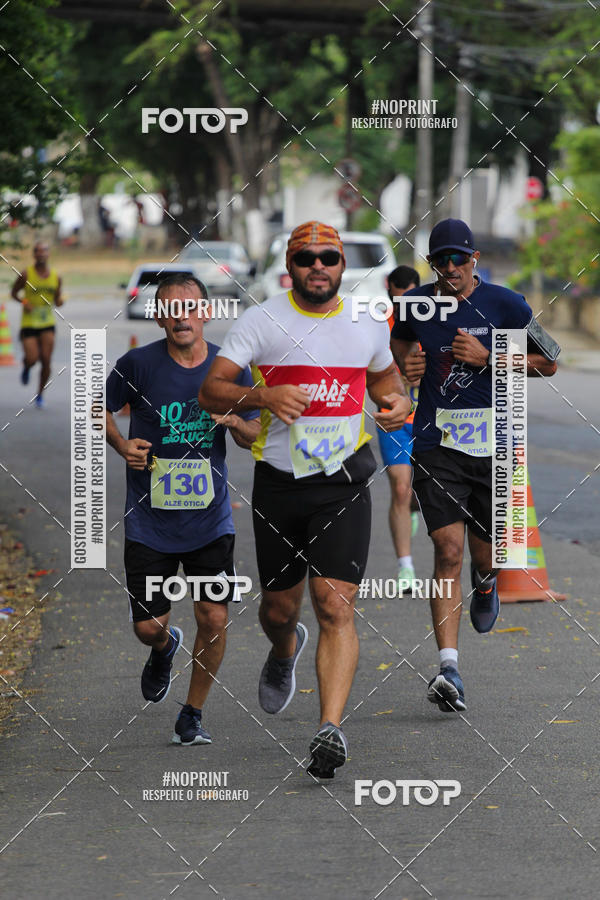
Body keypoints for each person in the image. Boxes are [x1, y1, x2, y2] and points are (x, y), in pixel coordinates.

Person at [198, 221, 410, 779]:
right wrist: (263, 393)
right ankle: (285, 647)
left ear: (343, 266)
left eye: (329, 258)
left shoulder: (368, 322)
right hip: (278, 482)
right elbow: (211, 390)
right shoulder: (262, 320)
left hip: (342, 482)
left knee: (336, 604)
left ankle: (329, 730)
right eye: (307, 258)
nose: (319, 266)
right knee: (278, 608)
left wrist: (397, 404)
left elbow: (390, 384)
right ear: (290, 266)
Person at [390, 218, 557, 714]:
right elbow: (398, 345)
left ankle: (486, 583)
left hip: (496, 445)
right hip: (437, 445)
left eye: (457, 259)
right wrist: (408, 365)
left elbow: (549, 362)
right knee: (448, 550)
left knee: (485, 559)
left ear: (474, 259)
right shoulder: (416, 304)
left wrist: (491, 356)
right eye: (439, 261)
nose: (449, 269)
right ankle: (448, 668)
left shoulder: (508, 304)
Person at [106, 274, 260, 745]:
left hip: (210, 520)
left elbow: (253, 433)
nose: (180, 316)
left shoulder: (228, 370)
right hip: (149, 522)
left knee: (213, 617)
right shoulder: (137, 364)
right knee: (148, 626)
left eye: (189, 307)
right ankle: (164, 646)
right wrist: (121, 444)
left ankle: (192, 713)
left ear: (206, 313)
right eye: (169, 308)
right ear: (158, 317)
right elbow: (99, 407)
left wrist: (233, 418)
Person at [377, 265, 421, 592]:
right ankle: (405, 567)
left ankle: (416, 504)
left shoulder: (430, 320)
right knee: (400, 487)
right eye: (400, 295)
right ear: (389, 288)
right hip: (393, 416)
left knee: (418, 489)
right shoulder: (380, 324)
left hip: (428, 419)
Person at [11, 240, 64, 408]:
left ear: (48, 254)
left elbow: (57, 299)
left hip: (47, 322)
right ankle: (27, 365)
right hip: (29, 322)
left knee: (46, 360)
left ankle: (40, 394)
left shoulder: (56, 276)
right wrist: (23, 302)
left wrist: (60, 301)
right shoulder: (26, 274)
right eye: (38, 251)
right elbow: (13, 293)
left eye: (44, 251)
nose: (41, 254)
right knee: (33, 358)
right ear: (34, 254)